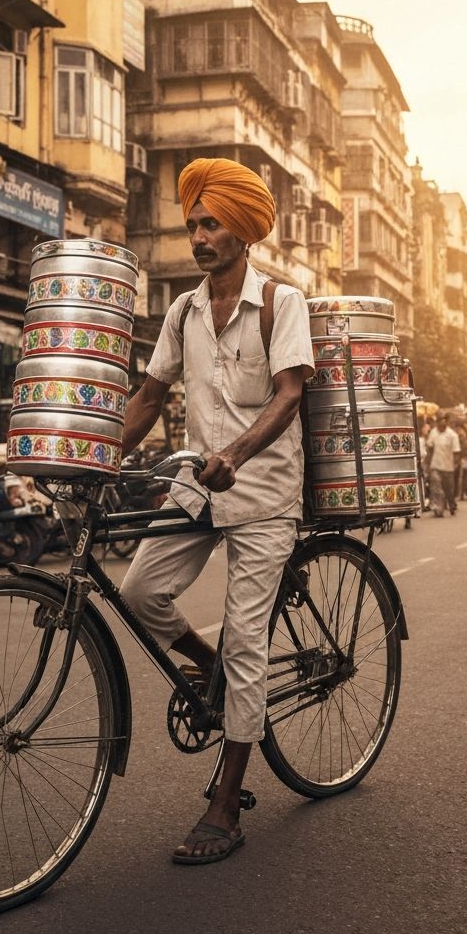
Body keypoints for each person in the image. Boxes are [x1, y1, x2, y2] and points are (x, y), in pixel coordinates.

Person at [118, 157, 314, 865]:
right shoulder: (184, 309)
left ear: (244, 229)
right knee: (138, 590)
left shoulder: (282, 303)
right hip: (199, 484)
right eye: (193, 223)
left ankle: (227, 804)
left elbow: (290, 394)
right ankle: (209, 665)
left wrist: (235, 452)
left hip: (263, 493)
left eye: (212, 222)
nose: (199, 235)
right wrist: (96, 454)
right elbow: (148, 396)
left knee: (249, 640)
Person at [424, 414, 461, 517]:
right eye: (439, 422)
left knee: (449, 491)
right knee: (436, 488)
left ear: (446, 423)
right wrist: (427, 463)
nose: (440, 425)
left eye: (443, 423)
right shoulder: (433, 433)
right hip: (435, 465)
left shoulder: (452, 435)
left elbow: (456, 452)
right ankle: (438, 508)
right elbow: (430, 448)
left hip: (448, 467)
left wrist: (455, 465)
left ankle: (451, 504)